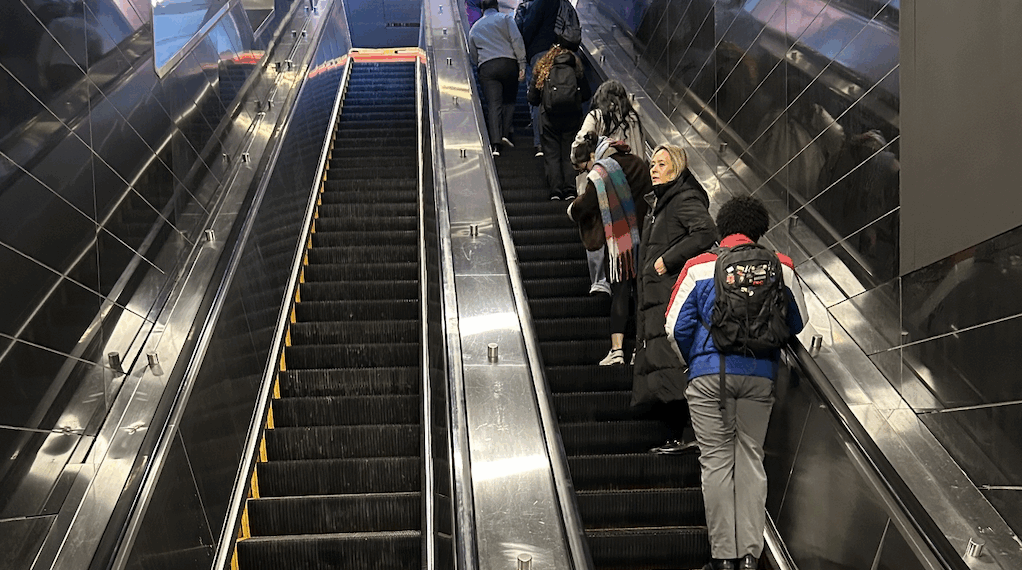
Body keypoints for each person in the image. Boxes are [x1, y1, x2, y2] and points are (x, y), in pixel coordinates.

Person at [664, 195, 808, 570]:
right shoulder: (781, 266)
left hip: (709, 377)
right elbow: (798, 321)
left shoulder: (698, 266)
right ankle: (749, 556)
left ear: (722, 227)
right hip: (760, 376)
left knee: (715, 462)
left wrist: (695, 362)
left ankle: (724, 558)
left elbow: (675, 326)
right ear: (760, 231)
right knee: (750, 459)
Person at [633, 144, 717, 454]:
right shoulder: (660, 204)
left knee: (673, 361)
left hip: (671, 296)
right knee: (663, 362)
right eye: (652, 164)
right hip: (657, 296)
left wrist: (667, 261)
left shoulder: (683, 199)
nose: (653, 169)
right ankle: (677, 435)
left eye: (661, 164)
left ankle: (688, 433)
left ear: (677, 168)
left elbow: (706, 231)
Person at [567, 133, 651, 365]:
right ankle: (641, 350)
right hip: (645, 238)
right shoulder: (637, 162)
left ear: (592, 156)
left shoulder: (601, 172)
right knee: (643, 296)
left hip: (621, 243)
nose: (586, 173)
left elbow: (587, 204)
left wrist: (571, 209)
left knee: (620, 293)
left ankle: (617, 351)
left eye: (584, 168)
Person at [571, 79, 646, 295]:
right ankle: (626, 275)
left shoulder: (595, 116)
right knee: (626, 229)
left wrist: (581, 163)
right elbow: (640, 152)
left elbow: (578, 147)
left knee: (595, 223)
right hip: (627, 184)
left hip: (600, 182)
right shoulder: (634, 119)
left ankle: (600, 280)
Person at [527, 43, 590, 200]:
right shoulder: (576, 70)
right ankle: (570, 190)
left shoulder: (544, 70)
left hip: (549, 119)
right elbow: (587, 94)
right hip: (572, 118)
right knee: (569, 153)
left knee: (552, 155)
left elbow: (532, 98)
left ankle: (555, 191)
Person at [468, 0, 527, 157]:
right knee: (509, 101)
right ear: (497, 7)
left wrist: (480, 64)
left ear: (482, 9)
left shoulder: (475, 27)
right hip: (508, 63)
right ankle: (505, 134)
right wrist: (522, 64)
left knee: (494, 105)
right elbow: (516, 40)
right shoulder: (505, 19)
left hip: (487, 67)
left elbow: (473, 54)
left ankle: (495, 145)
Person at [517, 0, 564, 157]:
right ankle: (557, 142)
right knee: (554, 95)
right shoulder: (558, 3)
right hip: (558, 53)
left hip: (538, 53)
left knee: (537, 97)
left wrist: (522, 51)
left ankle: (540, 143)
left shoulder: (537, 3)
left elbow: (529, 27)